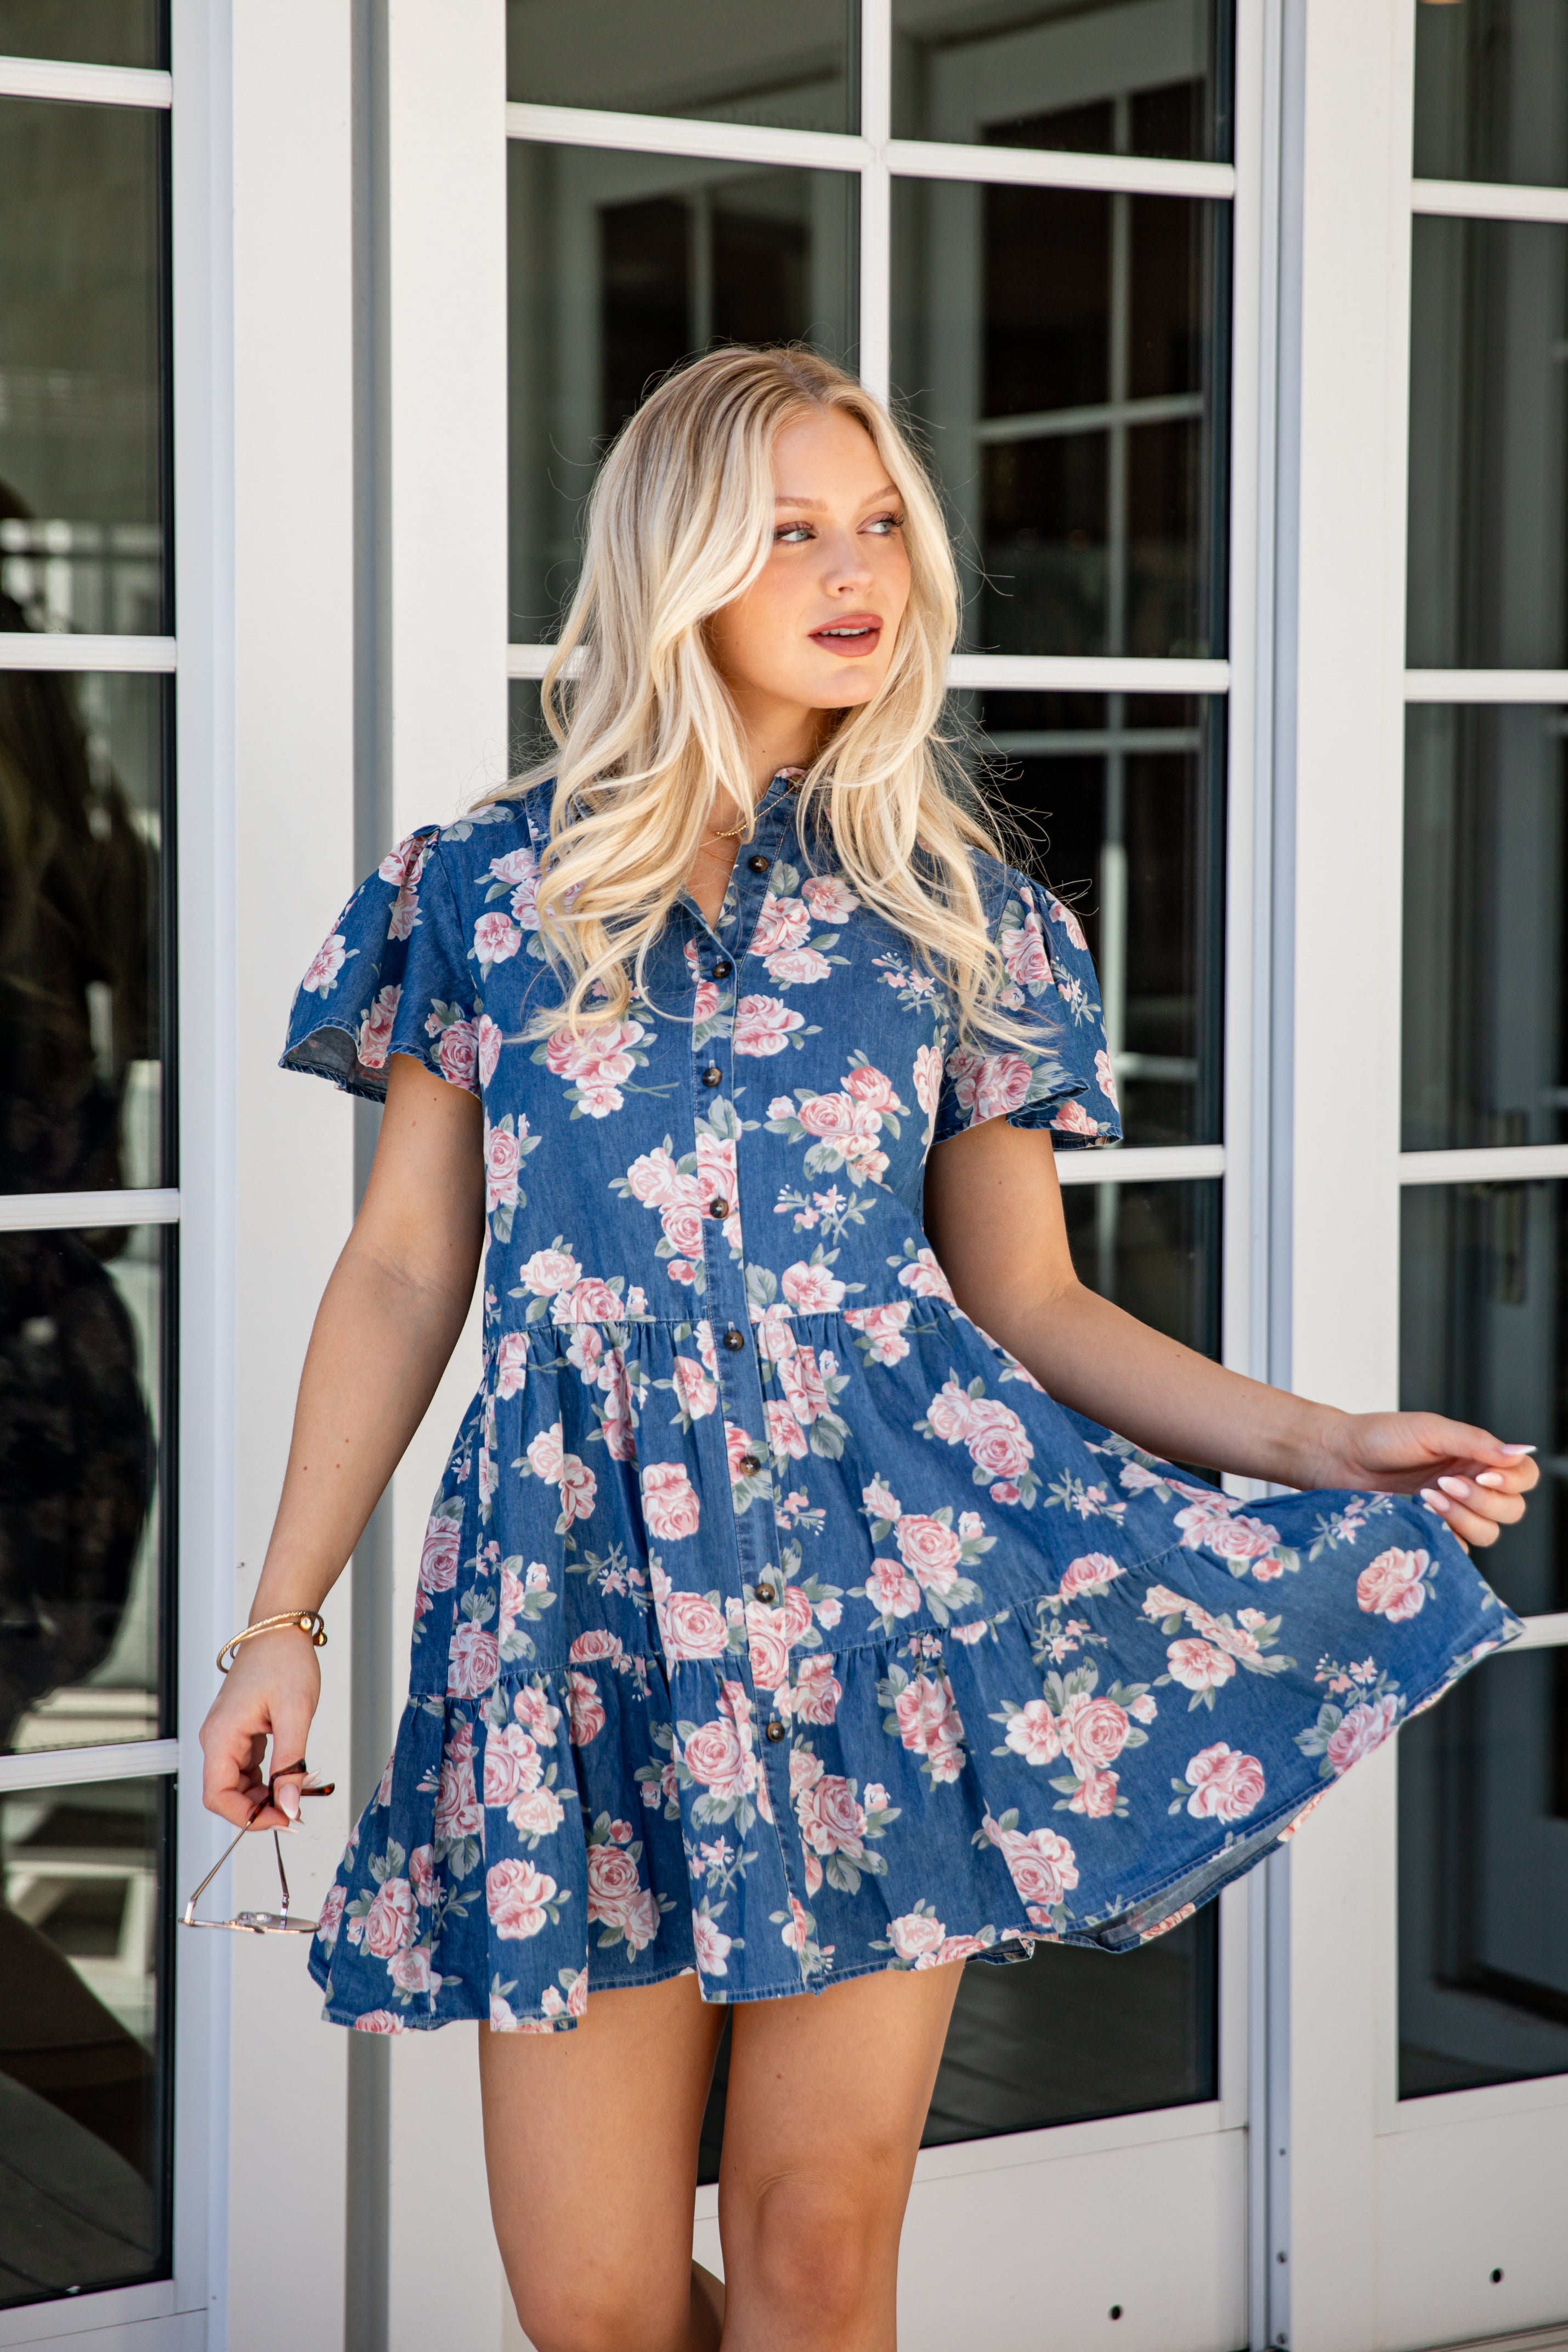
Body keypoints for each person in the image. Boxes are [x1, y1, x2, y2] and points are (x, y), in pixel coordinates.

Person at [200, 349, 1536, 2352]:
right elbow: (404, 1269)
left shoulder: (956, 909)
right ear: (675, 565)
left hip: (871, 1606)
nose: (857, 571)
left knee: (820, 2260)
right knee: (588, 2302)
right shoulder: (480, 886)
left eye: (883, 522)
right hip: (574, 1613)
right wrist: (281, 1619)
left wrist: (1324, 1440)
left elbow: (1031, 1302)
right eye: (792, 530)